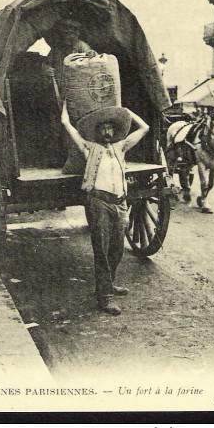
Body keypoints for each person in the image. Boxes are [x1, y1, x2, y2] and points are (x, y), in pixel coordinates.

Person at [61, 101, 150, 316]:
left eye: (110, 128)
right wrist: (65, 107)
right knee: (101, 249)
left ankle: (108, 283)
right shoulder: (89, 148)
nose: (107, 132)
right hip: (98, 202)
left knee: (117, 247)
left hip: (119, 202)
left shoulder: (121, 147)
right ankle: (105, 297)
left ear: (115, 131)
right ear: (97, 132)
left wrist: (128, 111)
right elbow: (66, 124)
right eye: (103, 129)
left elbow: (144, 128)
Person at [45, 17, 96, 93]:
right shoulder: (57, 48)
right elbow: (47, 63)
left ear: (77, 33)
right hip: (60, 88)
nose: (68, 36)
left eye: (71, 33)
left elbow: (92, 57)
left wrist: (92, 54)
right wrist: (46, 68)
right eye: (65, 33)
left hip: (78, 88)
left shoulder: (82, 46)